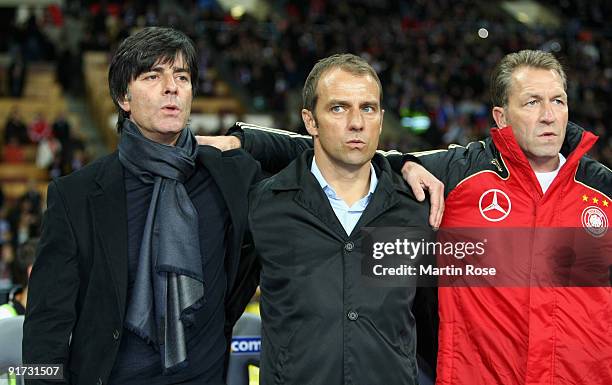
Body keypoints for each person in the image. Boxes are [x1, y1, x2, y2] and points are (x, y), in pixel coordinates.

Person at [198, 49, 611, 384]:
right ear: (500, 117)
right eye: (532, 102)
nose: (549, 115)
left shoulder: (603, 191)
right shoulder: (461, 173)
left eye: (557, 100)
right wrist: (247, 139)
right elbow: (348, 152)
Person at [23, 27, 259, 385]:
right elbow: (44, 327)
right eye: (153, 76)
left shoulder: (231, 176)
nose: (172, 87)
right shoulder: (76, 195)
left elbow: (323, 148)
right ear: (123, 98)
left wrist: (241, 138)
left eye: (182, 76)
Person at [242, 53, 437, 385]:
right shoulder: (265, 205)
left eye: (368, 108)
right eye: (338, 108)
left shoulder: (415, 209)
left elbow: (431, 324)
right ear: (310, 121)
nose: (357, 123)